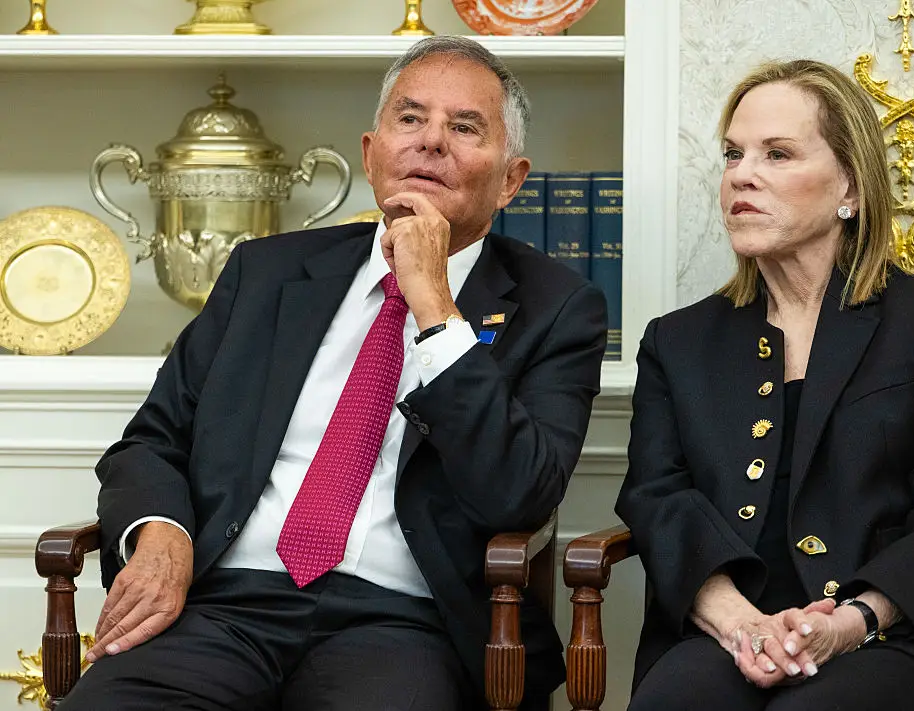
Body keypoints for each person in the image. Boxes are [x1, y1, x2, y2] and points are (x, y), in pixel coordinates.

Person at [61, 36, 607, 711]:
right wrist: (162, 534)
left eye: (464, 127)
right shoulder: (266, 272)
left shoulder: (560, 307)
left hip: (404, 624)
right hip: (226, 606)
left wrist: (434, 302)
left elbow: (518, 493)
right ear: (371, 154)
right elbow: (152, 439)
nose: (431, 141)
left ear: (511, 181)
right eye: (409, 119)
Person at [617, 59, 914, 711]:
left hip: (902, 639)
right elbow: (659, 501)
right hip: (727, 634)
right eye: (732, 154)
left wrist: (848, 621)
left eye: (776, 154)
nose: (741, 174)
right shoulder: (677, 341)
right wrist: (742, 623)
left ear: (850, 188)